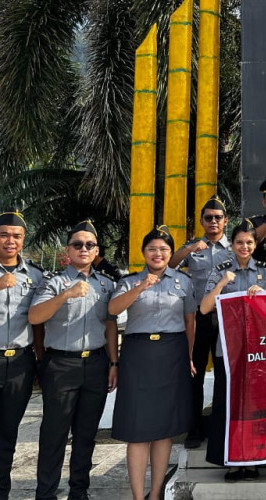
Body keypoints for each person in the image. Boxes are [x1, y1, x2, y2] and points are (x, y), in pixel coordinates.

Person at [28, 220, 119, 500]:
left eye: (89, 245)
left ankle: (79, 491)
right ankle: (46, 493)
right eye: (78, 244)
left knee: (86, 434)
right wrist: (66, 294)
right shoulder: (54, 282)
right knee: (54, 433)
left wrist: (114, 363)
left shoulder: (106, 284)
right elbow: (35, 317)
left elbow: (110, 325)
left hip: (95, 363)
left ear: (96, 251)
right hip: (61, 366)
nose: (84, 248)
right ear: (68, 250)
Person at [108, 226, 196, 500]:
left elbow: (190, 321)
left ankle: (155, 493)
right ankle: (137, 495)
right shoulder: (128, 281)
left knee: (164, 428)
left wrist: (190, 357)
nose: (158, 254)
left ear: (171, 254)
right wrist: (141, 287)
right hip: (138, 355)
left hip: (172, 354)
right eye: (152, 249)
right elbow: (112, 311)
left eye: (164, 250)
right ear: (143, 252)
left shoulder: (183, 282)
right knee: (138, 429)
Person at [200, 220, 266, 482]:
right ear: (231, 245)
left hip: (259, 352)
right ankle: (232, 461)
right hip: (229, 351)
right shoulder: (221, 270)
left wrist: (264, 296)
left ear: (255, 245)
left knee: (255, 407)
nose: (244, 247)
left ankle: (254, 459)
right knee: (227, 406)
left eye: (249, 242)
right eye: (239, 242)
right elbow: (204, 307)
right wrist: (222, 283)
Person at [169, 195, 230, 449]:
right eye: (208, 218)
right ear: (202, 222)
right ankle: (193, 428)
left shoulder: (234, 247)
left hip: (226, 318)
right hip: (197, 318)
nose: (213, 221)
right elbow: (170, 265)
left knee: (223, 373)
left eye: (218, 218)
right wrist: (188, 250)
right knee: (193, 373)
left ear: (225, 221)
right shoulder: (193, 246)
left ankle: (219, 425)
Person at [0, 210, 45, 500]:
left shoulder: (36, 276)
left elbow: (39, 324)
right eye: (4, 234)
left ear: (23, 239)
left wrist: (41, 363)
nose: (10, 241)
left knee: (7, 435)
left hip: (19, 362)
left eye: (16, 236)